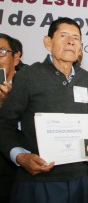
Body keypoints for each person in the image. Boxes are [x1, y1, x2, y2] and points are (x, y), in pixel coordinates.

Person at [0, 18, 88, 202]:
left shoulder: (86, 78)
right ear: (48, 42)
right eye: (63, 35)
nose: (71, 41)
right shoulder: (29, 75)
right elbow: (4, 124)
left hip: (78, 178)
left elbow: (86, 121)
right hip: (38, 180)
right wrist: (20, 156)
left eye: (76, 37)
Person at [0, 33, 21, 202]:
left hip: (15, 171)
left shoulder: (31, 84)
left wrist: (8, 104)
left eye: (1, 52)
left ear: (16, 58)